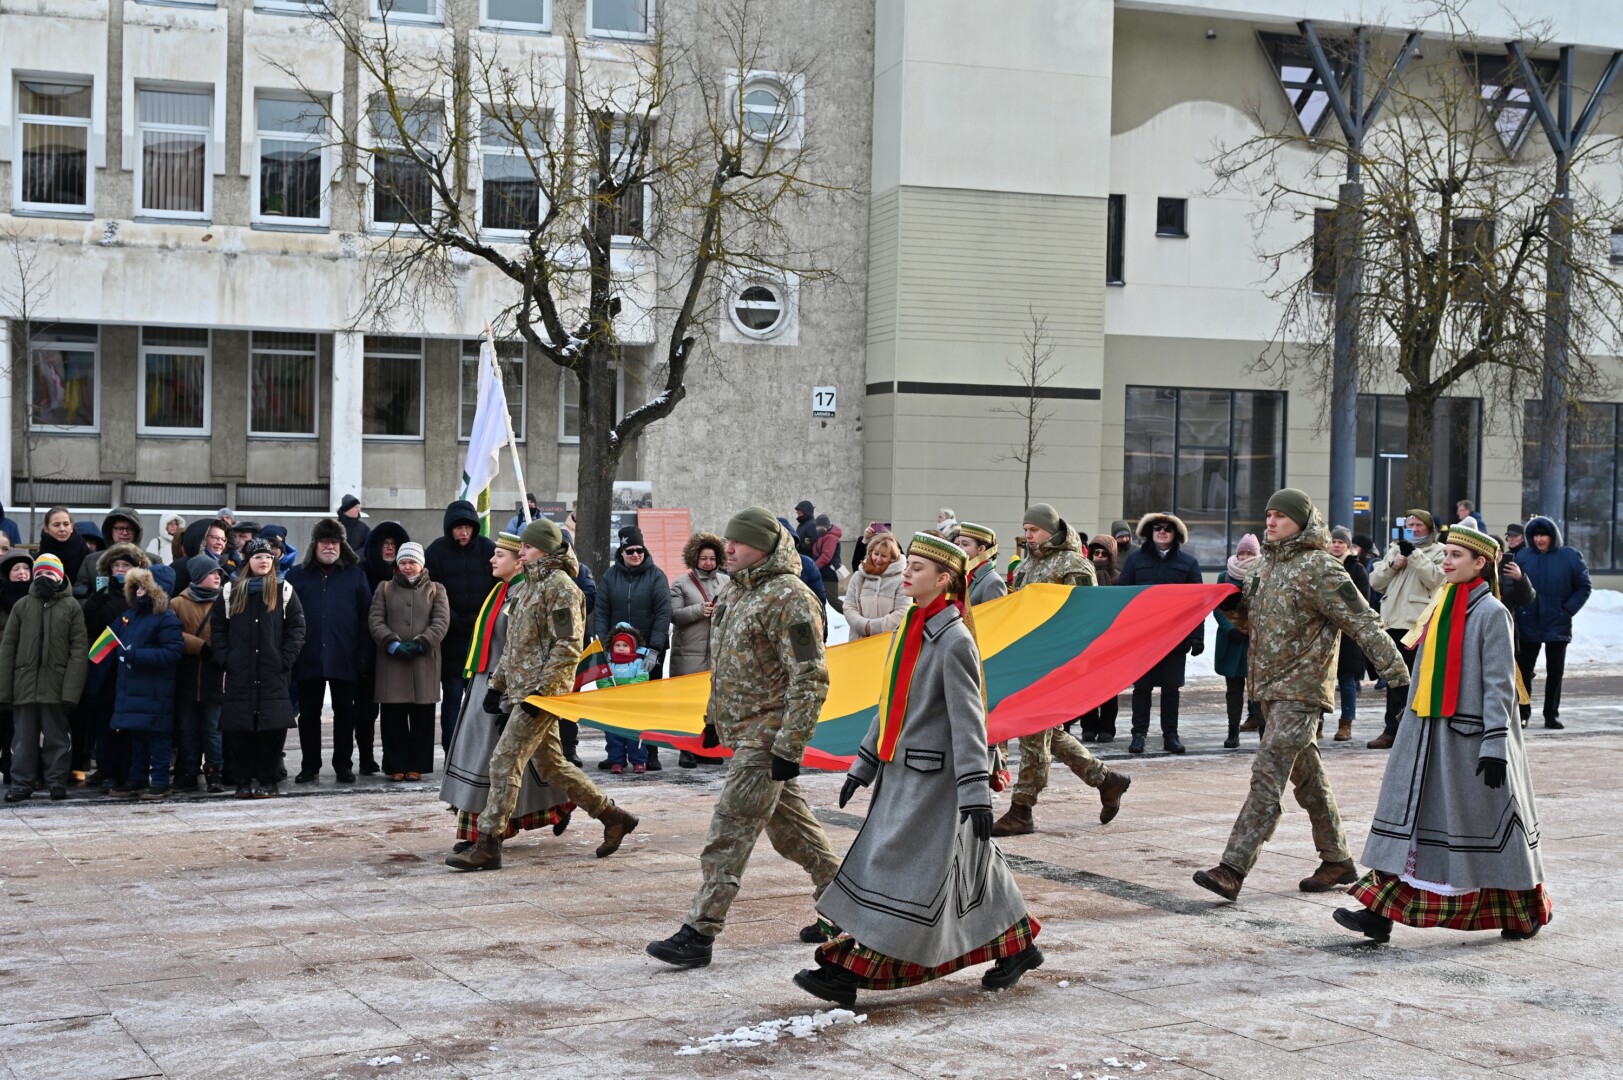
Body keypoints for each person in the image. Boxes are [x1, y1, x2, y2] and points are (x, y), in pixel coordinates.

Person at [794, 533, 1040, 1009]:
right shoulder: (910, 624)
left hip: (934, 783)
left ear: (944, 580)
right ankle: (1019, 945)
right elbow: (889, 702)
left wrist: (975, 791)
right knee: (971, 862)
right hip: (900, 773)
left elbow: (970, 722)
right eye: (909, 564)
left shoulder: (954, 640)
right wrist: (864, 764)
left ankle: (849, 970)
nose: (906, 572)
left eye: (918, 568)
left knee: (900, 872)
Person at [1334, 524, 1552, 944]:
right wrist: (1409, 724)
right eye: (1446, 553)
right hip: (1425, 740)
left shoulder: (1492, 613)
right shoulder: (1441, 603)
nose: (1446, 561)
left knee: (1490, 833)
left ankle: (1524, 912)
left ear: (1480, 563)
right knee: (1408, 825)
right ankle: (1378, 913)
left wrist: (1494, 744)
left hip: (1469, 746)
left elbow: (1500, 685)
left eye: (1455, 555)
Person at [646, 508, 841, 970]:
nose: (727, 549)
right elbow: (723, 666)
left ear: (765, 547)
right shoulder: (736, 590)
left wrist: (790, 747)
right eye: (727, 540)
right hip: (743, 732)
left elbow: (810, 678)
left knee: (728, 832)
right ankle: (847, 909)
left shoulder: (791, 598)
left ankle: (699, 931)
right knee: (795, 835)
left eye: (739, 542)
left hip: (768, 737)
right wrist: (713, 718)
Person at [1193, 489, 1410, 904]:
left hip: (1302, 691)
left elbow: (1363, 622)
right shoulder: (1264, 567)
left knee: (1267, 774)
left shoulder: (1321, 568)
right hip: (1268, 689)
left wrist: (1398, 677)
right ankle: (1337, 860)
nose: (1271, 522)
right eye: (1268, 514)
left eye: (1280, 516)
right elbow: (1252, 625)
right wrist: (1234, 606)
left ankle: (1232, 868)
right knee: (1309, 780)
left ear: (1302, 522)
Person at [446, 518, 638, 871]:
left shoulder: (562, 589)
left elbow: (567, 647)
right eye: (521, 546)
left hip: (540, 696)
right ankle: (614, 816)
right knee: (551, 766)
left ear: (546, 550)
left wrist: (543, 692)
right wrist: (497, 686)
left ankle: (488, 843)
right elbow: (514, 646)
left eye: (528, 547)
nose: (521, 552)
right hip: (520, 692)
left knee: (504, 761)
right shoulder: (527, 588)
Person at [993, 503, 1127, 836]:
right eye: (1025, 530)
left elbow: (1086, 615)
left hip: (1054, 662)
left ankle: (1022, 809)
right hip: (1026, 657)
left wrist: (1073, 660)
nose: (1028, 536)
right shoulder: (1026, 565)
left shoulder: (1074, 564)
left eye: (1033, 530)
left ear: (1051, 531)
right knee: (1043, 731)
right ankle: (1106, 780)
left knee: (1034, 733)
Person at [440, 532, 573, 860]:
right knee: (498, 760)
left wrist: (521, 691)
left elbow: (549, 645)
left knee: (499, 762)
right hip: (488, 682)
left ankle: (485, 835)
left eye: (501, 554)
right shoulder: (501, 592)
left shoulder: (530, 593)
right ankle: (558, 808)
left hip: (515, 690)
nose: (492, 559)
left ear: (519, 562)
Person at [212, 539, 306, 798]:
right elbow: (218, 628)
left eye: (267, 557)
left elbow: (297, 628)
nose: (264, 561)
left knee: (272, 729)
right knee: (240, 729)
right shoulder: (230, 590)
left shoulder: (284, 589)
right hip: (240, 671)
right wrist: (226, 658)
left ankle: (267, 780)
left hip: (272, 672)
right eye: (258, 557)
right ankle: (242, 781)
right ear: (248, 562)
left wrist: (285, 659)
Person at [285, 519, 375, 785]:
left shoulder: (355, 575)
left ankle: (343, 765)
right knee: (309, 715)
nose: (330, 547)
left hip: (345, 656)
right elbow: (285, 619)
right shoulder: (297, 576)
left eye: (335, 542)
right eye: (325, 542)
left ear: (342, 545)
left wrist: (364, 655)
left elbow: (366, 618)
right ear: (315, 544)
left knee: (345, 714)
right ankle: (309, 765)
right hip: (308, 656)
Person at [1116, 511, 1204, 754]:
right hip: (1143, 638)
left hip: (1175, 637)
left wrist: (1197, 636)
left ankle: (1170, 735)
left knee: (1171, 689)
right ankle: (1138, 735)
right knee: (1142, 688)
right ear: (1149, 531)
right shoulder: (1135, 560)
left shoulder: (1189, 563)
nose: (1162, 531)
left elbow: (1197, 603)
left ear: (1177, 533)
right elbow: (1122, 598)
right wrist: (1124, 634)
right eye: (1157, 527)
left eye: (1168, 528)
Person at [2, 554, 86, 802]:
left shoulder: (71, 607)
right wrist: (4, 690)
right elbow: (8, 649)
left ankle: (56, 781)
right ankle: (21, 783)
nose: (43, 578)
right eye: (39, 573)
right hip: (24, 685)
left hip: (56, 685)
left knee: (57, 738)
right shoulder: (22, 606)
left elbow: (78, 651)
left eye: (49, 573)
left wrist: (71, 691)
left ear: (59, 576)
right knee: (22, 740)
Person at [369, 540, 449, 781]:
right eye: (403, 562)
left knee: (422, 717)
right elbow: (375, 619)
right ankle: (395, 765)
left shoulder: (436, 589)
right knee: (393, 718)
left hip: (424, 661)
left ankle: (417, 766)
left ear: (421, 564)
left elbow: (441, 621)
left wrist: (422, 642)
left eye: (412, 562)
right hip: (391, 662)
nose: (407, 566)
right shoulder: (384, 588)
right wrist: (391, 643)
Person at [594, 525, 672, 770]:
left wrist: (655, 648)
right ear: (622, 552)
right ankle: (616, 754)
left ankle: (650, 752)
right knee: (614, 703)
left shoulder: (656, 576)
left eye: (640, 550)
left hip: (649, 650)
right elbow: (601, 612)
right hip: (617, 651)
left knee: (648, 703)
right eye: (630, 551)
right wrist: (603, 646)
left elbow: (663, 613)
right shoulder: (610, 577)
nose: (636, 555)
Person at [1367, 509, 1446, 749]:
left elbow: (1436, 579)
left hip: (1417, 624)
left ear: (1429, 528)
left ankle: (1413, 729)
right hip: (1391, 622)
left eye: (1418, 525)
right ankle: (1392, 729)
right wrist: (1394, 565)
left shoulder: (1439, 551)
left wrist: (1414, 555)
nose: (1413, 529)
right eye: (1409, 524)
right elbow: (1375, 582)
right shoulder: (1395, 549)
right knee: (1394, 678)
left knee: (1413, 678)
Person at [106, 566, 185, 800]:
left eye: (144, 587)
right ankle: (137, 778)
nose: (139, 591)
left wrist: (135, 656)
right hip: (132, 688)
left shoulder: (166, 618)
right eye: (137, 586)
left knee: (157, 737)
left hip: (154, 689)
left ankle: (160, 781)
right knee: (136, 735)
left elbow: (172, 652)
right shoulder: (130, 616)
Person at [426, 500, 498, 753]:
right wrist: (452, 618)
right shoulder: (436, 551)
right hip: (451, 639)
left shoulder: (488, 549)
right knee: (453, 699)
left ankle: (479, 752)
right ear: (450, 528)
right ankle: (452, 751)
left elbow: (498, 588)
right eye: (458, 528)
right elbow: (431, 590)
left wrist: (481, 618)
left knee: (480, 700)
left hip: (482, 638)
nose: (464, 532)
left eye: (468, 527)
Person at [80, 541, 150, 792]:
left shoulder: (142, 595)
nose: (120, 569)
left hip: (133, 667)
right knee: (106, 724)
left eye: (125, 565)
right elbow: (89, 628)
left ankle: (130, 772)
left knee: (131, 726)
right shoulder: (102, 595)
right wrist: (94, 603)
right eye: (116, 565)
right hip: (106, 670)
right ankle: (107, 772)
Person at [1513, 516, 1591, 731]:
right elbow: (1512, 584)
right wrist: (1519, 609)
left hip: (1557, 622)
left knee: (1555, 671)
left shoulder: (1570, 557)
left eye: (1543, 535)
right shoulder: (1523, 556)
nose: (1539, 539)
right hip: (1528, 621)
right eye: (1536, 535)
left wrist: (1567, 610)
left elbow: (1583, 586)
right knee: (1524, 671)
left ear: (1553, 536)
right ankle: (1522, 713)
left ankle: (1551, 714)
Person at [353, 521, 411, 775]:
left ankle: (393, 760)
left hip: (397, 652)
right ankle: (366, 757)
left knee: (394, 710)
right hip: (367, 650)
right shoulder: (361, 572)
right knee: (365, 711)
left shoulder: (406, 574)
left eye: (393, 544)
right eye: (385, 544)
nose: (389, 548)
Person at [670, 532, 729, 768]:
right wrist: (698, 610)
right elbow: (674, 615)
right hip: (688, 653)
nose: (707, 563)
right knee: (687, 704)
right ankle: (685, 751)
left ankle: (705, 748)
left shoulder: (726, 582)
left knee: (710, 703)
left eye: (712, 558)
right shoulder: (681, 583)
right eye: (703, 558)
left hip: (716, 653)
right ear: (694, 558)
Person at [170, 555, 226, 793]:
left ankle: (215, 772)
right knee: (188, 729)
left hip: (215, 676)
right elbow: (172, 633)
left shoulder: (227, 600)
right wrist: (200, 646)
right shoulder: (177, 603)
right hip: (187, 677)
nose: (217, 576)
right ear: (198, 575)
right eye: (212, 572)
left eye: (219, 573)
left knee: (213, 729)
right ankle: (188, 772)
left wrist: (220, 650)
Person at [1214, 534, 1260, 750]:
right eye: (1242, 552)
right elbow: (1216, 607)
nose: (1244, 556)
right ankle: (1233, 731)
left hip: (1255, 642)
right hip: (1231, 641)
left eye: (1250, 553)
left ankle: (1263, 730)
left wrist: (1253, 629)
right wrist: (1229, 629)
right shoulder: (1224, 576)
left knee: (1258, 690)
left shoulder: (1262, 574)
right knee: (1233, 690)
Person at [1329, 526, 1371, 742]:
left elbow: (1362, 602)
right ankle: (1316, 724)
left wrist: (1347, 623)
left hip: (1348, 633)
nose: (1336, 545)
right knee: (1320, 681)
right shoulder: (1321, 565)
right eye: (1334, 541)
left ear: (1347, 545)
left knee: (1346, 679)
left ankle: (1346, 723)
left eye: (1341, 542)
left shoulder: (1357, 569)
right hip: (1324, 632)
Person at [1078, 538, 1122, 742]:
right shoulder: (1083, 578)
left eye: (1104, 554)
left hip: (1112, 640)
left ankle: (1107, 727)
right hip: (1087, 638)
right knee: (1086, 685)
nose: (1099, 557)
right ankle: (1088, 726)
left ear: (1112, 556)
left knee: (1109, 687)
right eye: (1096, 553)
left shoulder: (1119, 579)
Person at [597, 623, 653, 773]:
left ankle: (638, 761)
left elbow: (643, 678)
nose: (621, 648)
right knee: (613, 735)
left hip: (634, 706)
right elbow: (601, 680)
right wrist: (610, 689)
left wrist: (626, 689)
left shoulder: (638, 662)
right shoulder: (608, 663)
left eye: (625, 645)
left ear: (633, 647)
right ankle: (617, 761)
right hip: (613, 706)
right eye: (618, 645)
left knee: (635, 735)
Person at [844, 532, 907, 639]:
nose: (878, 559)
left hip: (888, 641)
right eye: (876, 554)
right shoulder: (858, 576)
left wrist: (874, 627)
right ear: (870, 553)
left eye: (884, 556)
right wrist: (863, 626)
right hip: (859, 639)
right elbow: (849, 606)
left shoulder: (901, 579)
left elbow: (903, 611)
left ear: (892, 557)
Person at [38, 507, 92, 586]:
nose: (62, 529)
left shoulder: (87, 555)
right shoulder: (39, 559)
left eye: (66, 524)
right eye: (56, 525)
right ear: (46, 529)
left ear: (72, 527)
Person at [956, 523, 1007, 606]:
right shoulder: (963, 574)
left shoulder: (993, 582)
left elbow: (995, 613)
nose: (958, 548)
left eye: (965, 544)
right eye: (958, 544)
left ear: (980, 549)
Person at [812, 514, 844, 612]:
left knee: (833, 600)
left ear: (825, 526)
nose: (817, 528)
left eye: (819, 526)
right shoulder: (824, 536)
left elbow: (826, 557)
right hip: (824, 573)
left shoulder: (830, 537)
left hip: (829, 573)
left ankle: (855, 615)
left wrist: (813, 567)